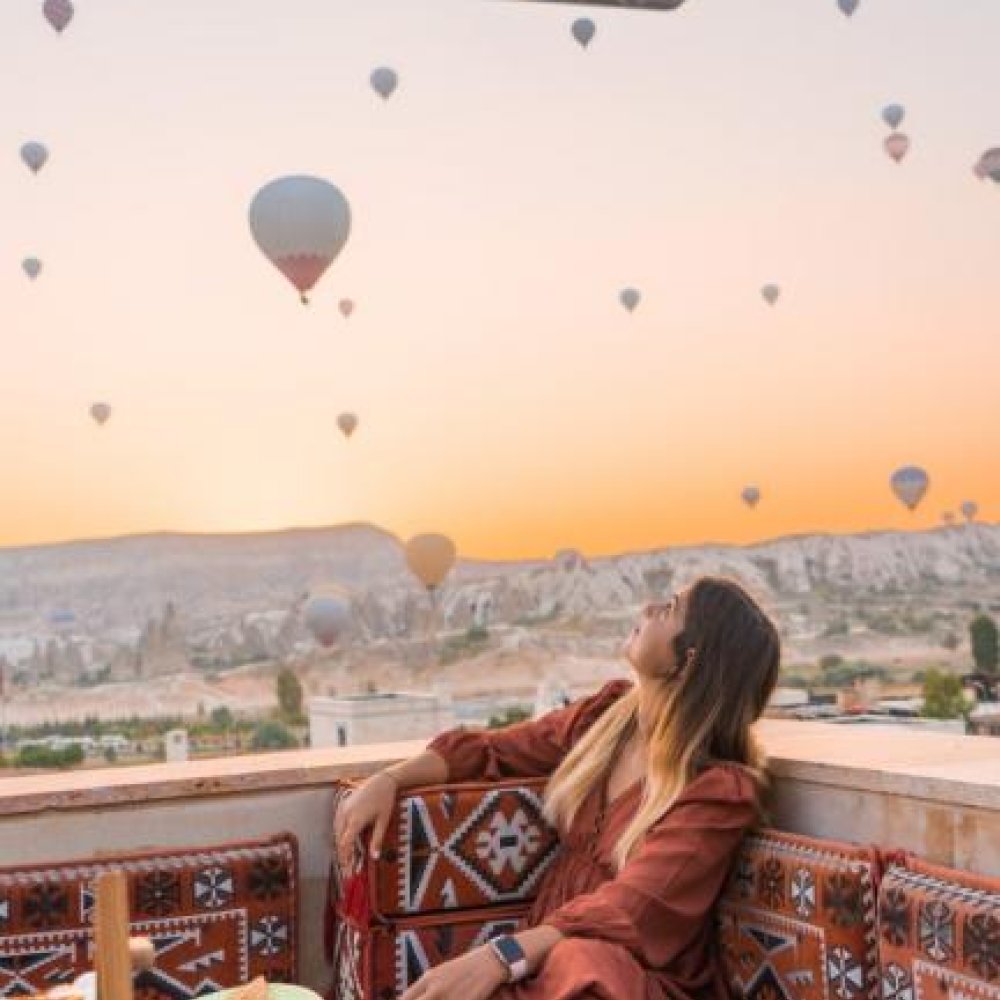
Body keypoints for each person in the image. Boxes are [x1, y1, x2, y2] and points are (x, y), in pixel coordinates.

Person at [333, 576, 781, 1000]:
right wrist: (391, 779)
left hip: (623, 980)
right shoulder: (604, 720)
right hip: (541, 959)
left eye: (670, 609)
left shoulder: (719, 792)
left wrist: (498, 957)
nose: (648, 608)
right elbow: (496, 751)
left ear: (689, 660)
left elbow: (629, 909)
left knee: (582, 961)